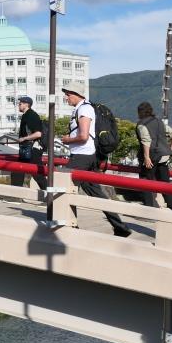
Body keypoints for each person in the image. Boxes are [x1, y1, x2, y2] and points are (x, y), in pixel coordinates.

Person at [59, 86, 132, 238]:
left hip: (82, 156)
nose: (66, 97)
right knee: (96, 193)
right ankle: (120, 227)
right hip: (86, 156)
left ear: (76, 94)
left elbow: (84, 136)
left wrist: (67, 139)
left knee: (62, 185)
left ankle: (69, 224)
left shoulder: (84, 109)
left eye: (68, 94)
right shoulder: (82, 108)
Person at [135, 102, 172, 211]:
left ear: (140, 112)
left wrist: (146, 158)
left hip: (151, 157)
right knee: (165, 184)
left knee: (145, 182)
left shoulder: (142, 125)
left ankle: (148, 209)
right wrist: (170, 149)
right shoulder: (159, 122)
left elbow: (146, 141)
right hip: (163, 157)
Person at [11, 95, 48, 190]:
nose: (18, 105)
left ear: (26, 104)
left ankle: (50, 194)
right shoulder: (26, 115)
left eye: (20, 104)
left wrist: (24, 138)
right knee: (17, 170)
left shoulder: (31, 115)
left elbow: (38, 134)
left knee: (37, 174)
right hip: (27, 148)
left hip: (33, 149)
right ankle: (14, 194)